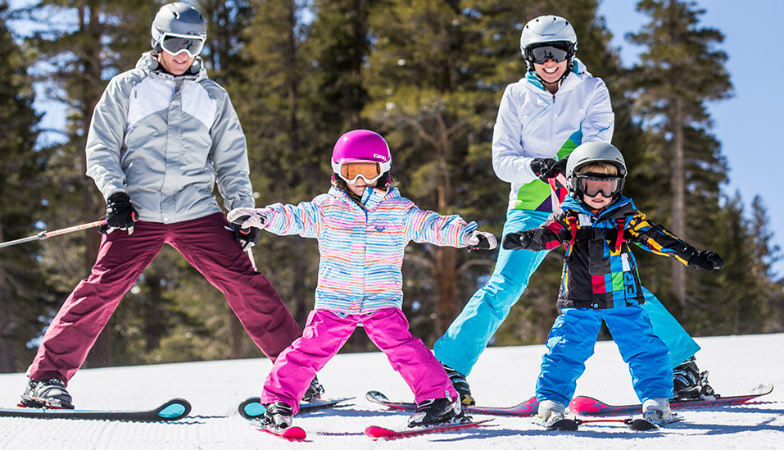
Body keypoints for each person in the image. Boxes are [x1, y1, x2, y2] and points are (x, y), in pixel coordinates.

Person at [19, 2, 322, 409]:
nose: (184, 53)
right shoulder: (127, 88)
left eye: (193, 45)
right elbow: (102, 148)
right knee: (101, 287)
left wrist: (242, 211)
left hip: (196, 210)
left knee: (248, 284)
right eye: (176, 42)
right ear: (158, 40)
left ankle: (296, 375)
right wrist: (116, 195)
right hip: (137, 212)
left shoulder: (213, 96)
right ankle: (46, 379)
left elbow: (231, 161)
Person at [433, 14, 711, 406]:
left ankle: (681, 367)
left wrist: (566, 166)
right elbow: (501, 160)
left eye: (558, 52)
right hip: (530, 205)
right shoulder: (515, 95)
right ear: (528, 57)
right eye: (540, 53)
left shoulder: (592, 89)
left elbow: (598, 147)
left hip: (582, 205)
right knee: (504, 285)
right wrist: (534, 166)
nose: (550, 61)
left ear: (571, 52)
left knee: (621, 285)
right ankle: (447, 369)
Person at [227, 129, 498, 430]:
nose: (359, 180)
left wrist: (465, 235)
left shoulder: (397, 210)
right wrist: (262, 217)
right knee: (306, 351)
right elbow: (295, 216)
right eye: (351, 171)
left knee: (405, 350)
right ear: (337, 172)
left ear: (383, 171)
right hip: (335, 300)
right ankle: (279, 402)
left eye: (367, 172)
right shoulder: (326, 209)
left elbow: (430, 224)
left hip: (381, 301)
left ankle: (439, 401)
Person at [502, 142, 724, 425]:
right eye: (590, 186)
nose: (598, 195)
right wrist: (526, 239)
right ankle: (551, 404)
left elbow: (657, 237)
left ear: (618, 186)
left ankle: (656, 402)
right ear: (574, 184)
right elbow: (549, 234)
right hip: (579, 300)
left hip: (623, 299)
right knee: (564, 350)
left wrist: (692, 256)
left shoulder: (626, 217)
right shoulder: (569, 217)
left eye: (607, 187)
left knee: (644, 348)